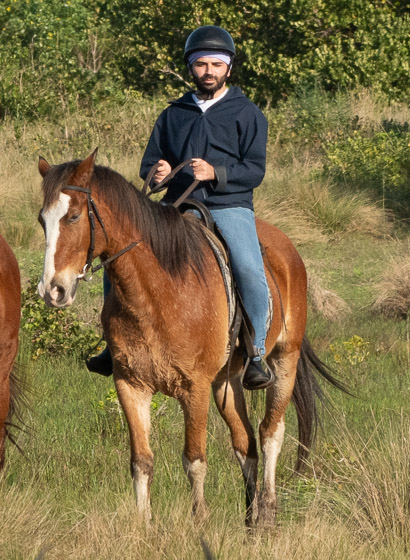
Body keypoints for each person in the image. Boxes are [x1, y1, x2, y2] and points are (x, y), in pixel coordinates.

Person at [86, 24, 273, 390]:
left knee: (249, 269)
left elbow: (254, 170)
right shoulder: (174, 114)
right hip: (176, 206)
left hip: (228, 205)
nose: (208, 71)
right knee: (119, 260)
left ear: (228, 69)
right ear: (191, 68)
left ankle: (256, 352)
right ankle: (112, 344)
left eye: (216, 65)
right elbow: (150, 165)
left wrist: (214, 172)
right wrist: (159, 173)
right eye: (201, 64)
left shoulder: (247, 113)